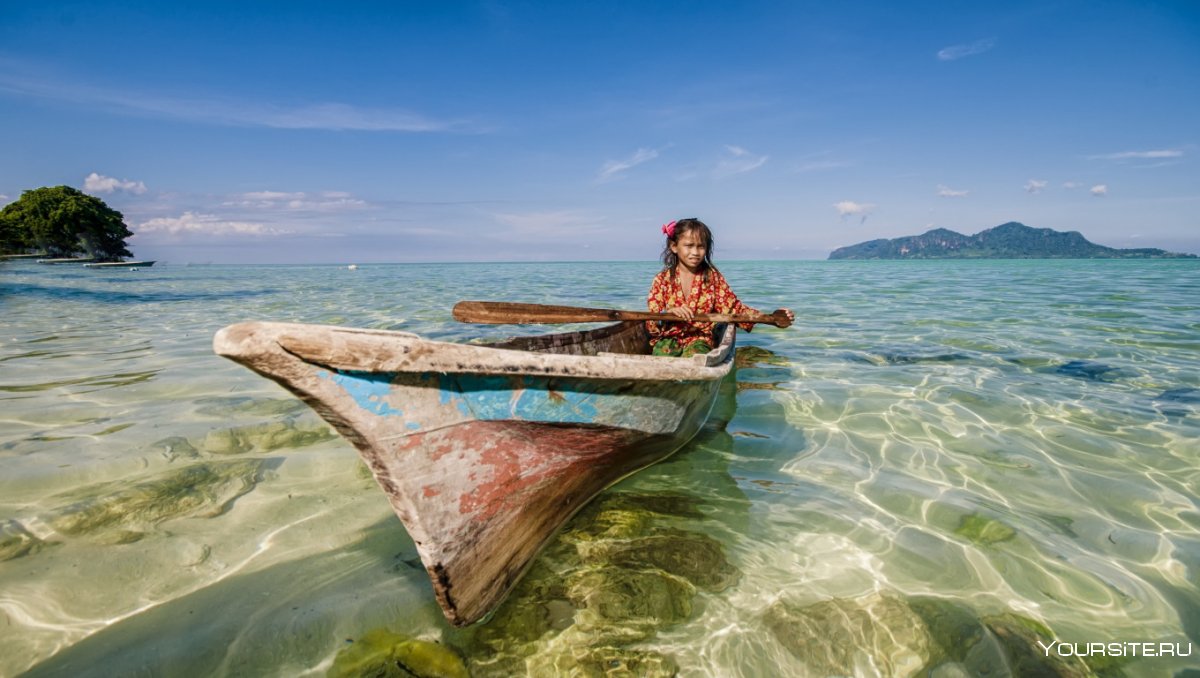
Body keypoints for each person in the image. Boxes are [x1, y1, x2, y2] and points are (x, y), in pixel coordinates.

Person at [647, 217, 794, 357]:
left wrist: (772, 318)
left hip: (700, 339)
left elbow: (735, 309)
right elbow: (651, 320)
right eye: (689, 246)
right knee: (662, 353)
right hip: (669, 338)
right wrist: (668, 313)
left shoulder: (712, 278)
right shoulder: (661, 280)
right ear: (674, 247)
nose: (695, 253)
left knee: (695, 356)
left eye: (701, 246)